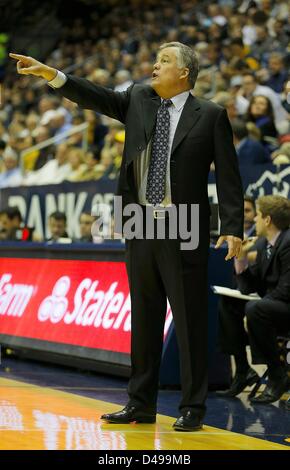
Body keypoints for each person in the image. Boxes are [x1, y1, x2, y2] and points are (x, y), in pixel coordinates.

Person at [10, 42, 243, 431]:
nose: (154, 65)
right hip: (138, 220)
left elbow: (230, 177)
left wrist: (233, 228)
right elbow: (94, 96)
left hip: (183, 223)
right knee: (145, 316)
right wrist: (52, 74)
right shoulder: (138, 99)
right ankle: (140, 403)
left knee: (188, 321)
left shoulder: (211, 115)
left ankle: (193, 407)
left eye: (164, 60)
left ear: (184, 72)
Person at [218, 195, 290, 403]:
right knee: (229, 303)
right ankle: (243, 371)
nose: (255, 220)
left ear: (267, 220)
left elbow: (286, 290)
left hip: (286, 306)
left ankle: (277, 375)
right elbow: (249, 287)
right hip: (274, 305)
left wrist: (259, 305)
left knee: (255, 309)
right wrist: (240, 258)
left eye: (257, 215)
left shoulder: (287, 242)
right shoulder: (262, 245)